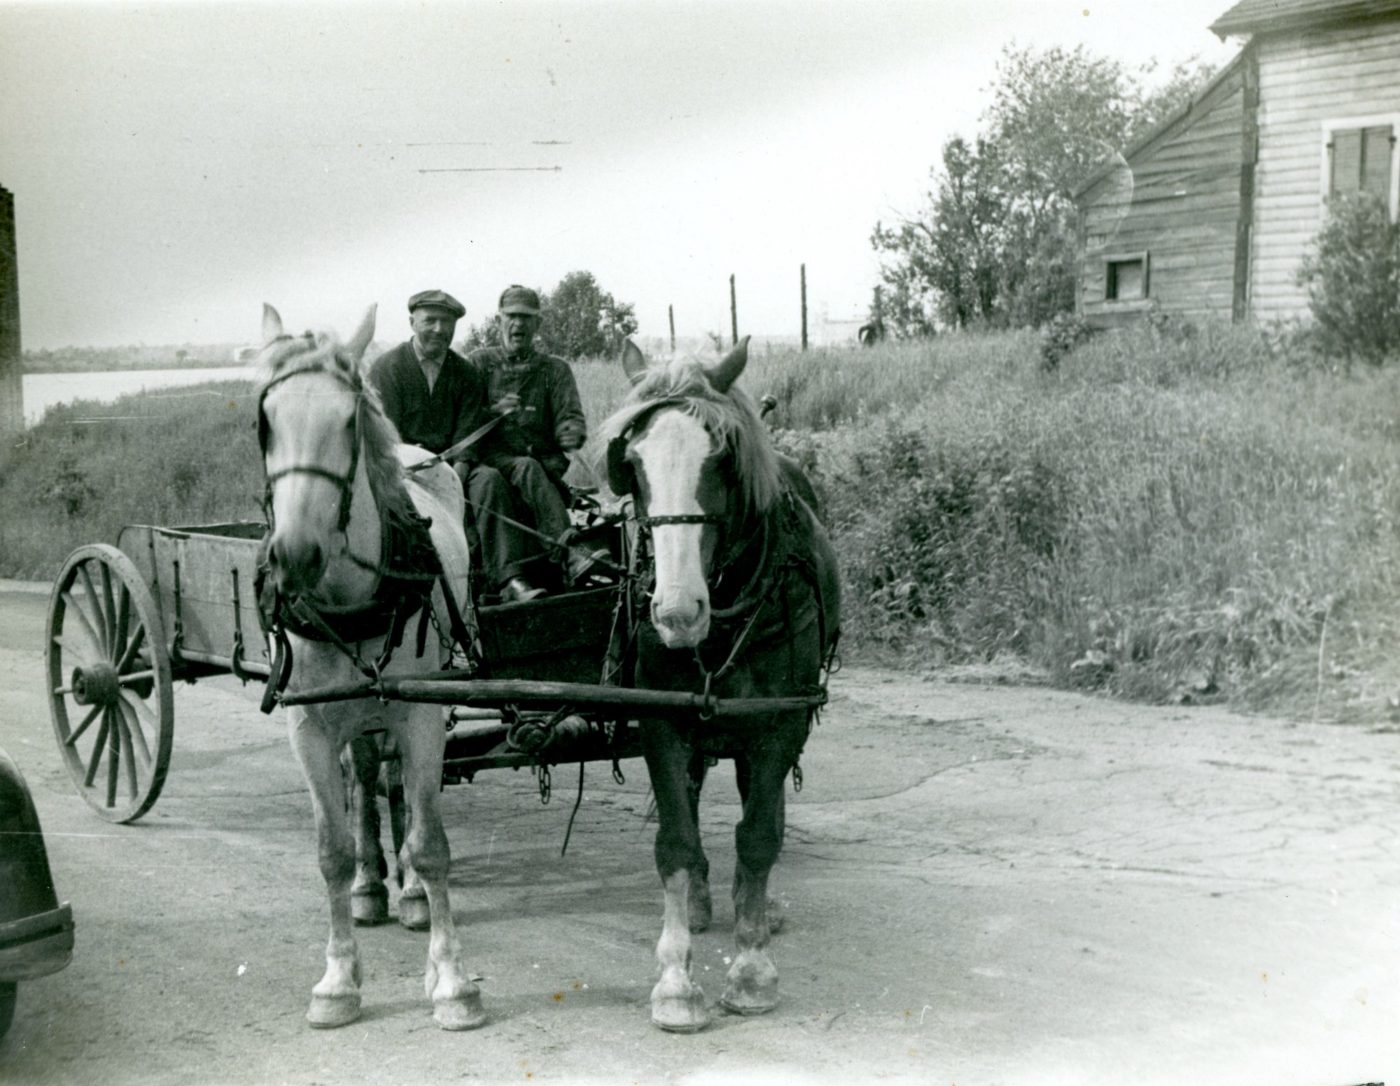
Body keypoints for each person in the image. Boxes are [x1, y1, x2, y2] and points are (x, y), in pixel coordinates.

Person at [368, 289, 547, 603]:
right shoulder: (386, 369)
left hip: (454, 470)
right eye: (430, 321)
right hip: (401, 472)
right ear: (412, 322)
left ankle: (510, 580)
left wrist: (453, 482)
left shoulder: (465, 373)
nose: (439, 329)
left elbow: (467, 439)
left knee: (489, 480)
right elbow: (385, 440)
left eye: (446, 323)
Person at [466, 285, 600, 582]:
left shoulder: (554, 370)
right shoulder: (479, 364)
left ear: (537, 324)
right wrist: (493, 412)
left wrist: (571, 431)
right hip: (493, 460)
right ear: (498, 320)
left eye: (526, 318)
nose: (518, 324)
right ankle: (569, 552)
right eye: (511, 317)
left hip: (544, 465)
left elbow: (570, 415)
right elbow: (463, 419)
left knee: (530, 467)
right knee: (526, 468)